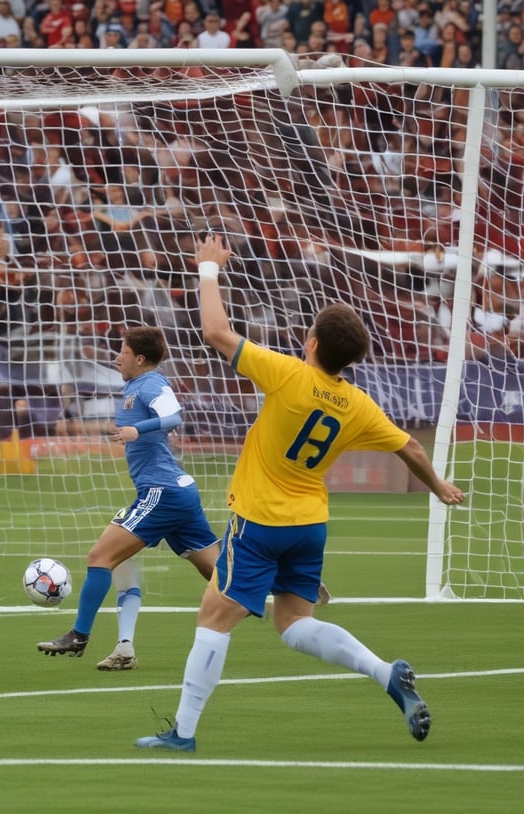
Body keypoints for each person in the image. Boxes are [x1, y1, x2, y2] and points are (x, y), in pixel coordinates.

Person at [135, 234, 465, 752]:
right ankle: (385, 672)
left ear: (310, 344)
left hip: (260, 520)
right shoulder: (357, 404)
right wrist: (439, 486)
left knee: (214, 615)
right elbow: (412, 451)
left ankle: (183, 732)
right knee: (293, 623)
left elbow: (215, 331)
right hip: (309, 525)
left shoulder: (287, 375)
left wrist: (207, 269)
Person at [36, 325, 221, 670]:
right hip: (178, 492)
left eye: (121, 351)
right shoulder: (135, 385)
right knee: (223, 576)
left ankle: (79, 634)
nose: (116, 356)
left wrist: (140, 429)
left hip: (161, 492)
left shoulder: (152, 383)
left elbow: (174, 416)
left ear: (139, 358)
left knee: (100, 556)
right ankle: (124, 648)